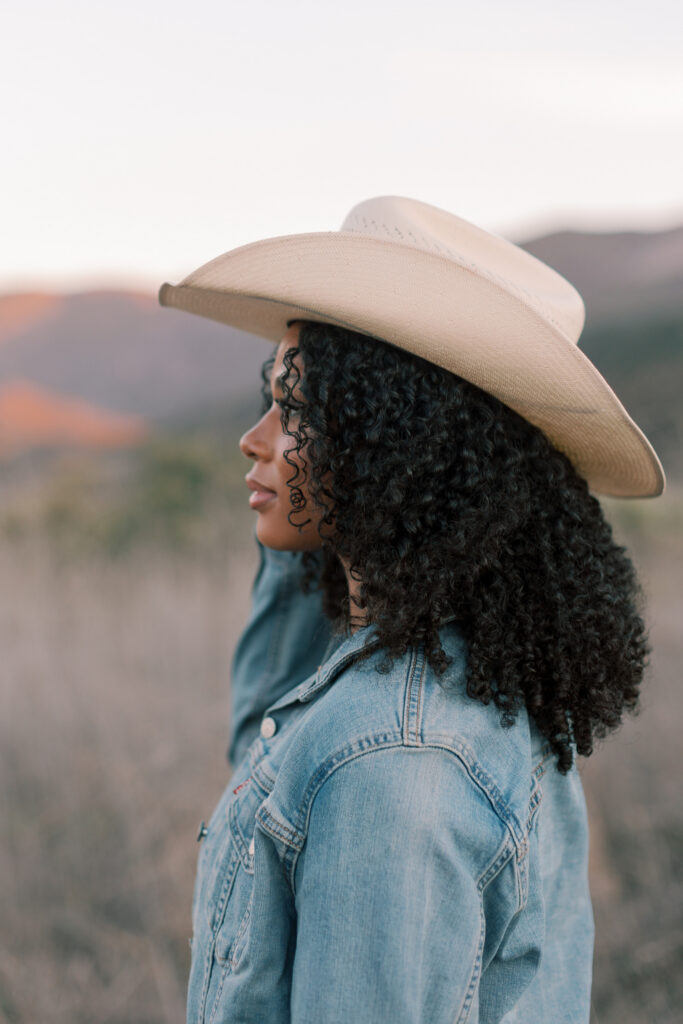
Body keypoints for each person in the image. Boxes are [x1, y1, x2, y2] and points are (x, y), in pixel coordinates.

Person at [159, 196, 665, 1024]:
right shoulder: (466, 676)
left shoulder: (397, 760)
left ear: (396, 442)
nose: (252, 438)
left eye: (295, 409)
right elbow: (265, 725)